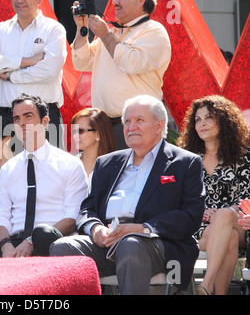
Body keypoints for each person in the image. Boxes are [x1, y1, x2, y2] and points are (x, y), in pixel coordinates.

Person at [50, 95, 205, 295]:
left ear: (159, 125)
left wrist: (142, 228)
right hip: (106, 241)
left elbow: (191, 216)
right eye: (127, 122)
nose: (131, 127)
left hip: (157, 244)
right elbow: (87, 209)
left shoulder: (184, 162)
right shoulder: (106, 163)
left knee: (131, 244)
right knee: (63, 246)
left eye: (139, 120)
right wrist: (95, 228)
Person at [0, 94, 87, 258]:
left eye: (28, 116)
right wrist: (5, 246)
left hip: (53, 245)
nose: (21, 122)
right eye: (16, 118)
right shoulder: (7, 169)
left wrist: (32, 241)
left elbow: (74, 215)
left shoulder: (69, 164)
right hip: (13, 246)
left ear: (45, 122)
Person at [71, 0, 171, 149]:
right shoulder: (113, 32)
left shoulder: (154, 31)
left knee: (139, 172)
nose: (114, 1)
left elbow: (131, 63)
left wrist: (105, 35)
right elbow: (81, 62)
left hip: (138, 126)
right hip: (104, 126)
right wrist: (81, 28)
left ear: (140, 0)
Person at [177, 95, 250, 295]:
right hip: (200, 226)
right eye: (198, 119)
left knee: (226, 218)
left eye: (209, 117)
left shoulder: (243, 155)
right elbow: (178, 197)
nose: (202, 123)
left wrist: (225, 212)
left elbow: (247, 196)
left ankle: (206, 285)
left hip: (238, 220)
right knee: (230, 238)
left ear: (224, 120)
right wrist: (200, 212)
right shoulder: (186, 159)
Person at [0, 0, 67, 149]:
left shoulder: (53, 29)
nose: (19, 0)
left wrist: (10, 75)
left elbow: (48, 70)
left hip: (43, 118)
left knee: (47, 172)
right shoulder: (1, 30)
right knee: (9, 172)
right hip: (7, 119)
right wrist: (26, 61)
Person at [71, 108, 117, 191]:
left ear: (98, 135)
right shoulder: (69, 163)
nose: (75, 135)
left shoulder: (116, 167)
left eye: (80, 131)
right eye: (73, 131)